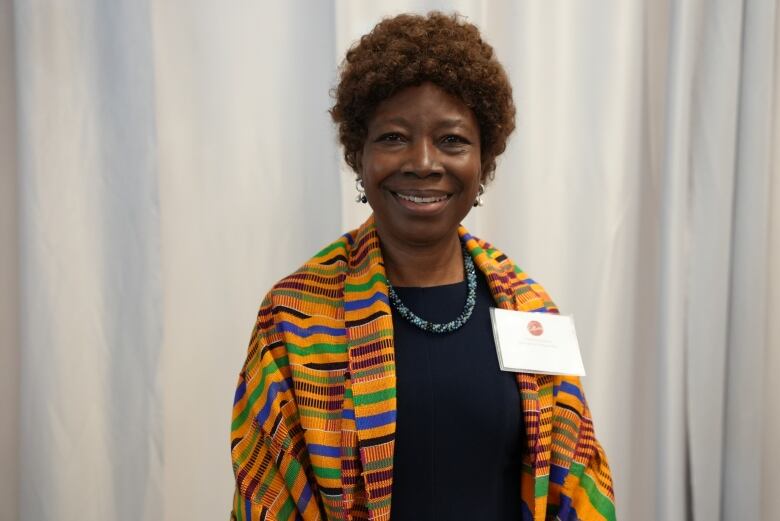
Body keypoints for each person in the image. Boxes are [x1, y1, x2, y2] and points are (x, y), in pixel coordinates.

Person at [230, 11, 615, 521]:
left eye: (452, 139)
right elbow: (270, 495)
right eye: (393, 137)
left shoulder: (530, 308)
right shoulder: (294, 318)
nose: (424, 162)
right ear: (359, 155)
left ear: (484, 159)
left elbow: (575, 482)